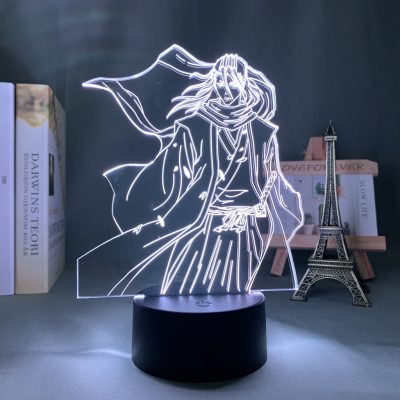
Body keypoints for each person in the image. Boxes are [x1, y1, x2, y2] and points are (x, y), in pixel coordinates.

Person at [78, 45, 303, 297]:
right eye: (220, 81)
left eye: (232, 82)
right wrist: (158, 207)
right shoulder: (194, 126)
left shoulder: (263, 131)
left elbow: (271, 177)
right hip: (203, 224)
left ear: (244, 83)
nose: (225, 89)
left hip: (244, 228)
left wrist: (260, 207)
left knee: (235, 292)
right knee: (189, 287)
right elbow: (173, 173)